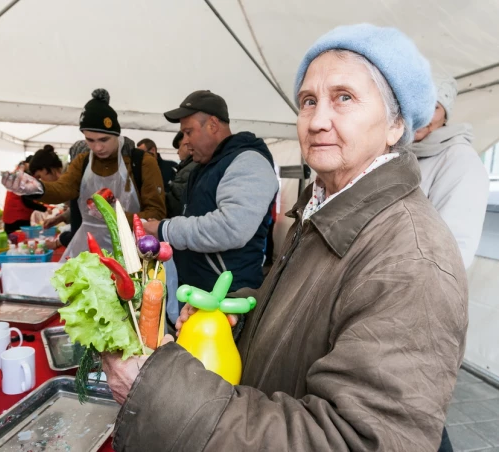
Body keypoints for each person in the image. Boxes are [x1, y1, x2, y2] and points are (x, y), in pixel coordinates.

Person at [104, 25, 468, 451]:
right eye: (308, 101)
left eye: (344, 98)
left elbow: (355, 441)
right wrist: (241, 320)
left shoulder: (412, 261)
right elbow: (308, 313)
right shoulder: (324, 209)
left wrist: (158, 391)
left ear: (396, 124)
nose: (317, 121)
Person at [2, 89, 166, 257]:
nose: (97, 148)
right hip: (88, 251)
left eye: (104, 140)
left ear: (116, 134)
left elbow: (156, 213)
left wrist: (115, 216)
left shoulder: (142, 162)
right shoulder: (83, 161)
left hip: (130, 251)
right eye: (90, 140)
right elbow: (63, 188)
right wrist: (36, 189)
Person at [143, 90, 279, 293]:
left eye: (189, 132)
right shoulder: (205, 166)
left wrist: (164, 229)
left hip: (227, 298)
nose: (185, 141)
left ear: (213, 125)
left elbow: (231, 228)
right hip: (199, 293)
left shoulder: (249, 162)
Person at [412, 74, 489, 269]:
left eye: (434, 107)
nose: (423, 114)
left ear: (446, 114)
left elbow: (455, 248)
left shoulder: (461, 159)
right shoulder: (402, 153)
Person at [1, 159, 47, 234]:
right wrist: (45, 209)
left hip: (11, 216)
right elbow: (27, 201)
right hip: (18, 218)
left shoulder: (18, 173)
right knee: (20, 241)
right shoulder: (23, 177)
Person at [166, 131, 198, 217]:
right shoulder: (187, 167)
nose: (177, 152)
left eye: (179, 147)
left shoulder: (190, 168)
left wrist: (170, 185)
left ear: (187, 145)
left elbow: (182, 196)